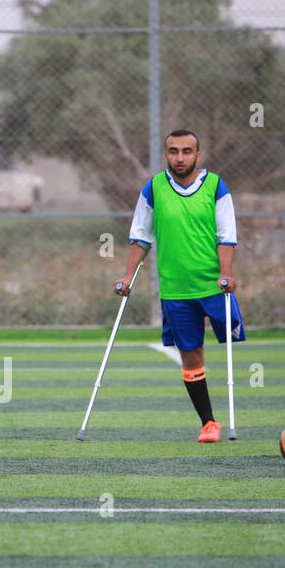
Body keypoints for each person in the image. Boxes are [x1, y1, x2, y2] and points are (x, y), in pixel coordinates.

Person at [117, 129, 241, 442]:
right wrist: (127, 276)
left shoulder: (215, 186)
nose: (180, 157)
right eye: (173, 151)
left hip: (214, 286)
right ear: (166, 154)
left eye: (187, 151)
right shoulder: (154, 188)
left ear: (198, 155)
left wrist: (226, 272)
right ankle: (209, 423)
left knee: (230, 338)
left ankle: (219, 418)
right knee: (191, 356)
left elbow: (226, 233)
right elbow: (141, 235)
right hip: (175, 290)